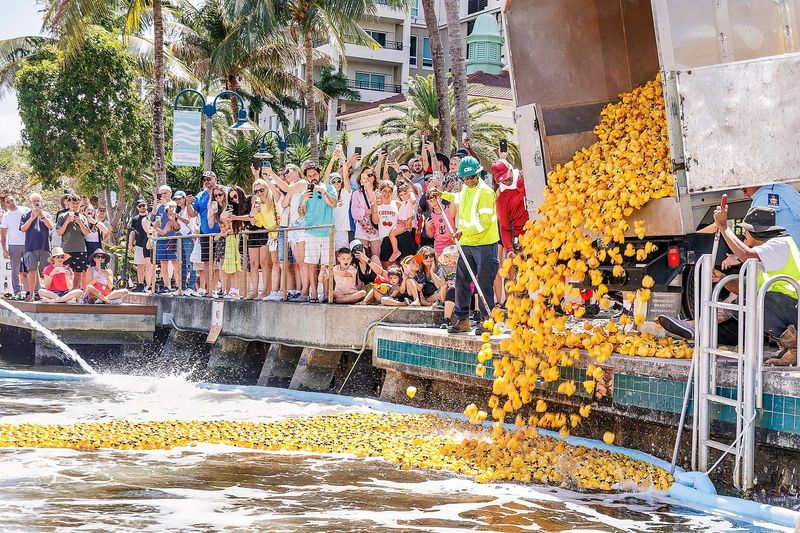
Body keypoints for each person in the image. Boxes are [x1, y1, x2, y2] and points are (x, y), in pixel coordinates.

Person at [658, 205, 799, 366]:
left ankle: (795, 344)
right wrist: (723, 279)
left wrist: (724, 227)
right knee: (741, 305)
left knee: (746, 304)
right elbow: (745, 289)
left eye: (745, 231)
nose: (744, 235)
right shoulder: (766, 254)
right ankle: (792, 347)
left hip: (795, 307)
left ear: (755, 232)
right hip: (789, 309)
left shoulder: (780, 244)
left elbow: (745, 254)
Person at [429, 156, 500, 334]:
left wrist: (463, 232)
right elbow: (458, 197)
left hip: (484, 245)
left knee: (484, 283)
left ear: (478, 174)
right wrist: (441, 195)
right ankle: (462, 319)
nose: (470, 180)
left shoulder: (486, 192)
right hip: (467, 244)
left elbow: (483, 222)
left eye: (473, 177)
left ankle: (487, 320)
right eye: (466, 178)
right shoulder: (467, 189)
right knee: (461, 282)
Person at [300, 160, 337, 302]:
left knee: (327, 265)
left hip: (328, 232)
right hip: (311, 232)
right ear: (306, 177)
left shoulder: (329, 188)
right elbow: (301, 213)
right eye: (309, 175)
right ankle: (314, 293)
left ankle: (327, 293)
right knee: (312, 264)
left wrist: (323, 191)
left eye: (315, 174)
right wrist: (303, 201)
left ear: (319, 174)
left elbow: (333, 204)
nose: (313, 177)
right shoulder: (305, 192)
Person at [244, 174, 281, 300]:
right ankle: (262, 291)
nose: (259, 193)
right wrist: (252, 213)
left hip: (279, 234)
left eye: (261, 190)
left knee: (274, 263)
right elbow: (255, 223)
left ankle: (271, 291)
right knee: (267, 263)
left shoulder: (274, 199)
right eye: (256, 191)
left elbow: (277, 194)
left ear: (267, 188)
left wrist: (265, 175)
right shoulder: (258, 205)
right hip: (270, 235)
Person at [187, 170, 221, 296]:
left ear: (215, 179)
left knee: (218, 263)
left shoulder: (220, 192)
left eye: (209, 179)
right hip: (205, 232)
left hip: (219, 232)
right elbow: (192, 214)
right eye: (205, 180)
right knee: (206, 262)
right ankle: (208, 289)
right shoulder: (200, 195)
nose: (207, 182)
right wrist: (188, 203)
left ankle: (216, 288)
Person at [20, 193, 52, 301]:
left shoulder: (46, 214)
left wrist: (41, 215)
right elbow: (23, 229)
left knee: (46, 272)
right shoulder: (26, 215)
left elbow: (50, 226)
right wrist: (32, 218)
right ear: (31, 202)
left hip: (45, 247)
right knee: (31, 271)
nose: (36, 202)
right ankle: (32, 294)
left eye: (38, 200)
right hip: (31, 247)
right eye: (34, 200)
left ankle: (47, 295)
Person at [55, 194, 90, 291]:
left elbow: (86, 233)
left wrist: (80, 222)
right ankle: (65, 292)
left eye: (77, 203)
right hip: (66, 249)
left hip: (80, 249)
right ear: (68, 203)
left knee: (78, 272)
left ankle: (75, 293)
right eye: (73, 203)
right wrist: (67, 222)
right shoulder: (62, 216)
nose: (75, 205)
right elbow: (59, 232)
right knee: (66, 272)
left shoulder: (83, 217)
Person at [1, 194, 31, 299]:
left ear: (15, 199)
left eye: (11, 200)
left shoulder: (25, 210)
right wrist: (4, 249)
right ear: (5, 204)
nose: (10, 203)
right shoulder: (6, 216)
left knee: (31, 268)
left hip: (28, 243)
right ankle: (17, 292)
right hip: (13, 245)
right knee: (15, 270)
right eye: (7, 202)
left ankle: (33, 292)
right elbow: (3, 234)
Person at [351, 166, 381, 260]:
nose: (367, 177)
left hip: (376, 228)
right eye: (365, 175)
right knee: (361, 257)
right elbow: (355, 213)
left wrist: (369, 190)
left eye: (370, 175)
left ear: (374, 177)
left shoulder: (378, 192)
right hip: (361, 228)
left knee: (376, 256)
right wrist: (369, 211)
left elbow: (378, 208)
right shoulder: (356, 193)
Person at [153, 200, 180, 293]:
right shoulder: (168, 220)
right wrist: (155, 227)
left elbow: (177, 228)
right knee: (163, 265)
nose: (169, 211)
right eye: (168, 209)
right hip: (163, 242)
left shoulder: (178, 217)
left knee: (176, 265)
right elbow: (164, 232)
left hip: (173, 243)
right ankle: (167, 286)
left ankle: (179, 286)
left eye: (171, 209)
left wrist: (173, 219)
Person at [173, 191, 196, 293]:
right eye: (176, 199)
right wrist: (172, 218)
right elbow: (177, 227)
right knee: (181, 263)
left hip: (189, 236)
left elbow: (188, 221)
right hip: (180, 237)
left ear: (184, 198)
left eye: (179, 199)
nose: (178, 201)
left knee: (190, 263)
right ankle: (181, 287)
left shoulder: (188, 208)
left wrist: (176, 216)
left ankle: (191, 287)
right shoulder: (179, 211)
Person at [387, 184, 417, 262]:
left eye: (405, 194)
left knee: (392, 235)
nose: (403, 196)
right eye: (401, 195)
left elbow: (414, 200)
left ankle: (395, 251)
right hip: (400, 222)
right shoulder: (404, 201)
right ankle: (395, 251)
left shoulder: (410, 200)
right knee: (391, 234)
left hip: (403, 223)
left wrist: (411, 193)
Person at [128, 199, 153, 293]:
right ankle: (140, 284)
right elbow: (133, 233)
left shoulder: (150, 217)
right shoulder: (135, 219)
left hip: (149, 244)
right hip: (139, 244)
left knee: (149, 266)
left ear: (146, 205)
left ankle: (149, 285)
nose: (142, 207)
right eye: (140, 206)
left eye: (143, 205)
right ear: (137, 207)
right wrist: (131, 244)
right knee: (140, 266)